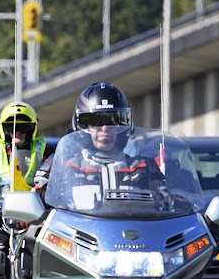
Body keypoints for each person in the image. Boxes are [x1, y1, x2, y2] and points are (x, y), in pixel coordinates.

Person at [41, 82, 170, 209]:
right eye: (95, 121)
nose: (104, 128)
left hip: (132, 229)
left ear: (124, 125)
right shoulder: (62, 165)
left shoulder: (142, 167)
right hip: (76, 230)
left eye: (112, 121)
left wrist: (183, 205)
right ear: (82, 125)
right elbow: (37, 206)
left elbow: (169, 205)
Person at [0, 101, 54, 279]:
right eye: (11, 126)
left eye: (23, 126)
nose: (17, 130)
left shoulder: (45, 150)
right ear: (3, 128)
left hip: (33, 212)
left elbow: (56, 173)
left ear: (32, 128)